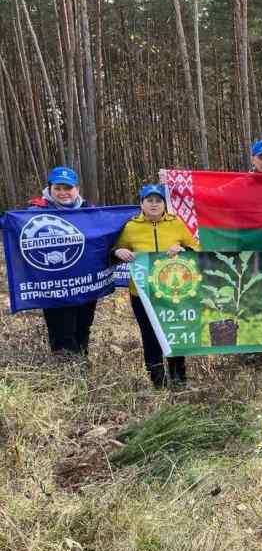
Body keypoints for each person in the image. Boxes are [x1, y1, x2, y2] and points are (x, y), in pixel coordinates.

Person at [113, 184, 201, 387]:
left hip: (173, 291)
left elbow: (196, 249)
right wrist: (117, 253)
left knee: (174, 334)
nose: (154, 204)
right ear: (141, 204)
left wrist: (182, 248)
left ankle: (179, 380)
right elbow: (117, 249)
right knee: (150, 336)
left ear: (164, 204)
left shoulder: (176, 223)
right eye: (149, 200)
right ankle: (157, 383)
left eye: (158, 200)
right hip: (142, 293)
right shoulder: (131, 227)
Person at [28, 166, 97, 357]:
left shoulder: (89, 211)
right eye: (58, 188)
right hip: (54, 283)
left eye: (68, 188)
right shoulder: (35, 212)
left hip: (84, 283)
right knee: (61, 332)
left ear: (76, 189)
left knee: (83, 327)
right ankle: (66, 377)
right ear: (49, 188)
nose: (63, 193)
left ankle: (81, 370)